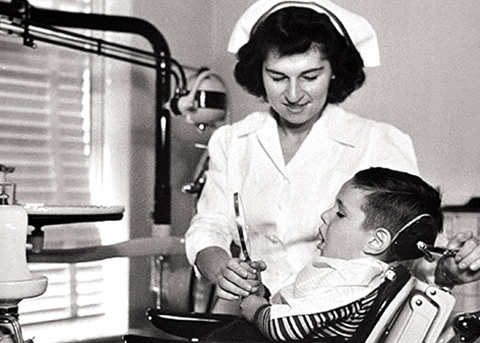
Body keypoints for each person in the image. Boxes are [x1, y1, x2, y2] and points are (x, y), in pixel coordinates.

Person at [184, 0, 480, 314]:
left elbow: (413, 247)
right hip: (252, 312)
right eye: (278, 77)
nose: (294, 94)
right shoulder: (233, 141)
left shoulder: (378, 142)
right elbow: (209, 225)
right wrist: (222, 269)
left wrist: (449, 269)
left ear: (335, 71)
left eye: (310, 77)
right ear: (259, 74)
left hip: (344, 323)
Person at [202, 167, 443, 342]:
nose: (325, 216)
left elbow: (285, 326)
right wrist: (260, 294)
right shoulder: (348, 277)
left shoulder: (353, 285)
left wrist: (257, 309)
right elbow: (300, 309)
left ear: (376, 241)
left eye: (340, 213)